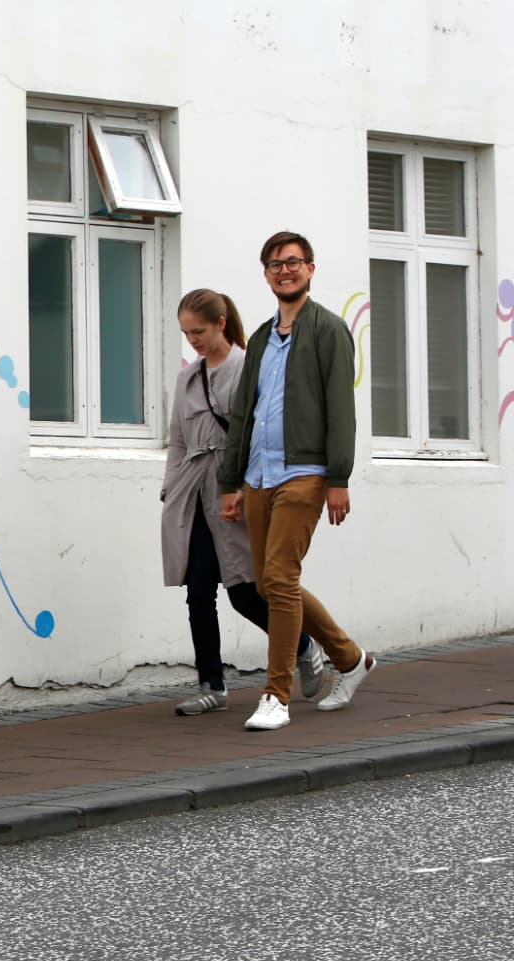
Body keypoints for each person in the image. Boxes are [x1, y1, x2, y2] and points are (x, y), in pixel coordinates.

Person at [218, 232, 376, 732]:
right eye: (274, 265)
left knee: (280, 579)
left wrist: (338, 476)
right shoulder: (262, 337)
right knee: (269, 582)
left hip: (306, 473)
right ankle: (351, 659)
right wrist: (231, 480)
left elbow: (340, 408)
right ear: (266, 275)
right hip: (259, 473)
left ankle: (275, 695)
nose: (283, 271)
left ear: (310, 268)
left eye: (292, 262)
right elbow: (245, 411)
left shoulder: (328, 329)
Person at [163, 288, 328, 715]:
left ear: (221, 323)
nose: (193, 340)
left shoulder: (247, 368)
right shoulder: (187, 377)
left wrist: (242, 487)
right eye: (186, 333)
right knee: (198, 591)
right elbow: (178, 441)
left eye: (198, 330)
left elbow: (256, 434)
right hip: (193, 495)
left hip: (235, 490)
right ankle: (211, 684)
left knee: (246, 591)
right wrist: (170, 489)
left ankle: (306, 647)